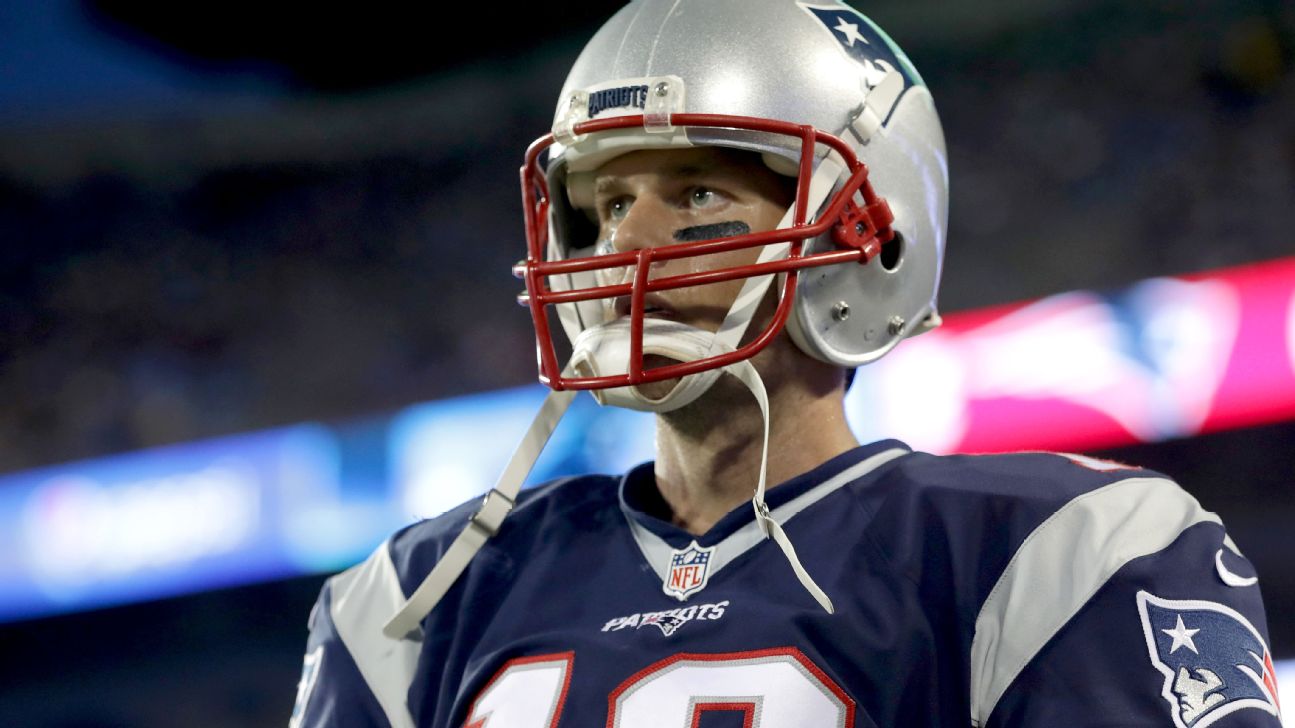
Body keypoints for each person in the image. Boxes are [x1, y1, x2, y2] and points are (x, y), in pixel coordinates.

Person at [290, 1, 1282, 726]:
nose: (627, 241)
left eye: (695, 195)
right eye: (600, 207)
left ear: (871, 237)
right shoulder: (417, 596)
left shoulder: (1056, 551)